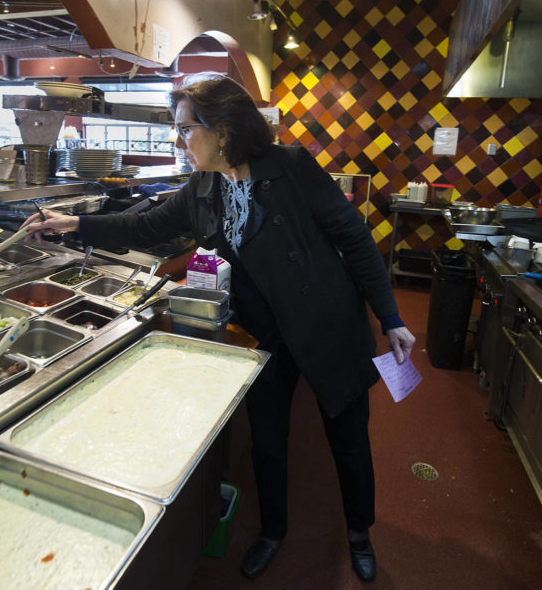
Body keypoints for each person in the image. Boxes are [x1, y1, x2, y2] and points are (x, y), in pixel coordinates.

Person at [21, 73, 415, 582]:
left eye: (185, 129)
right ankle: (273, 530)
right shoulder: (204, 185)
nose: (177, 140)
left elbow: (355, 239)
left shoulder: (290, 168)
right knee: (268, 442)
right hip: (262, 336)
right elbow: (147, 225)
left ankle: (359, 532)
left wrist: (391, 318)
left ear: (223, 130)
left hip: (325, 326)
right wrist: (76, 224)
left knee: (348, 439)